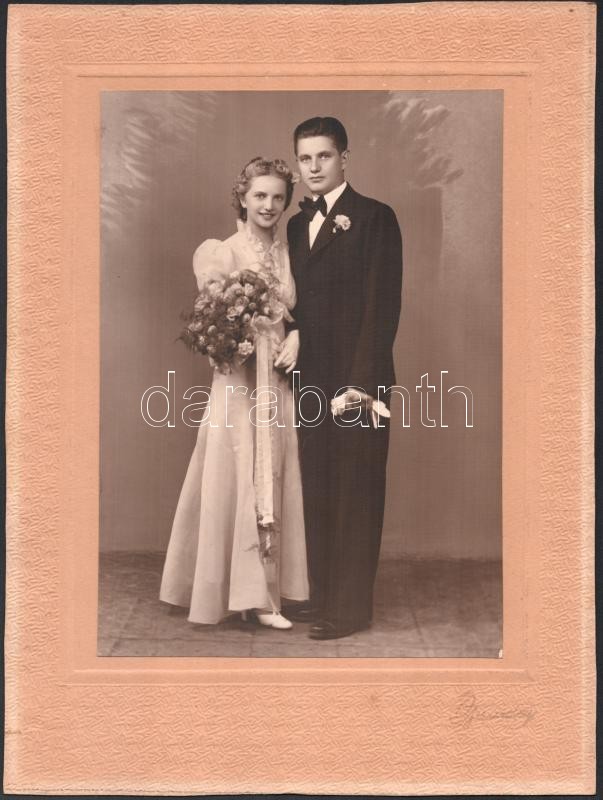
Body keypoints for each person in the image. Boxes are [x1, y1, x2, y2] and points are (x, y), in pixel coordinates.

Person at [159, 157, 308, 629]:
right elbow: (211, 324)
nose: (269, 205)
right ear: (243, 197)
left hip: (276, 378)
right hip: (240, 380)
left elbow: (295, 313)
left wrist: (295, 337)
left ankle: (264, 589)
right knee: (239, 469)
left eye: (278, 197)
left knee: (272, 468)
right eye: (260, 195)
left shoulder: (286, 253)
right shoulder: (222, 252)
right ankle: (246, 596)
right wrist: (241, 342)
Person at [284, 117, 403, 640]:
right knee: (318, 488)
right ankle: (323, 597)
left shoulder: (375, 217)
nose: (314, 167)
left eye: (324, 156)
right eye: (305, 158)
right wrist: (292, 335)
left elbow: (382, 307)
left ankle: (351, 609)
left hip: (359, 380)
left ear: (344, 158)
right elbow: (296, 303)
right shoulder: (295, 226)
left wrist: (361, 383)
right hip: (310, 381)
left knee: (356, 491)